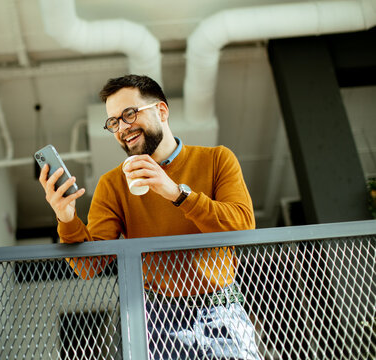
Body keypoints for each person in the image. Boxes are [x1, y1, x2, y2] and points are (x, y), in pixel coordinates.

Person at [39, 74, 261, 359]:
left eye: (130, 114)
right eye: (114, 122)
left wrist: (176, 193)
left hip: (220, 307)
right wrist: (67, 219)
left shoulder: (217, 159)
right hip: (155, 314)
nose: (123, 128)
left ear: (162, 111)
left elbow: (243, 227)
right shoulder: (112, 184)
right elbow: (88, 267)